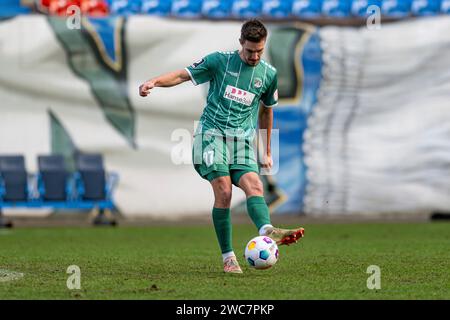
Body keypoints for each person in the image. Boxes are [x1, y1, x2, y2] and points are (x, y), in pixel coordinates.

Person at [139, 19, 304, 274]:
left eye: (259, 50)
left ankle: (266, 230)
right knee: (224, 191)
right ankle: (228, 257)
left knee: (255, 185)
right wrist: (154, 82)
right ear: (241, 43)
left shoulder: (269, 74)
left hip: (242, 140)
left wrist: (268, 150)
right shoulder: (220, 61)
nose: (255, 56)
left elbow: (266, 112)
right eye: (250, 51)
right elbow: (183, 75)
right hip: (212, 135)